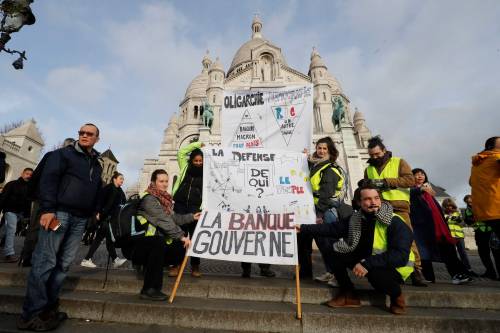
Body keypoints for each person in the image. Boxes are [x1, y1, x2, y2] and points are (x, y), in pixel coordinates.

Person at [18, 124, 103, 331]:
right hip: (59, 214)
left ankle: (48, 307)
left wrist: (95, 211)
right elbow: (48, 181)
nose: (84, 136)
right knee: (45, 260)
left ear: (96, 139)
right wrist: (48, 209)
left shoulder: (97, 164)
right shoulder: (61, 155)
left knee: (64, 264)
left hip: (80, 219)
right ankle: (32, 313)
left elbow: (95, 189)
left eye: (89, 134)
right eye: (81, 133)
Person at [297, 184, 414, 315]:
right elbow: (331, 229)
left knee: (376, 275)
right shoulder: (356, 218)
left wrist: (367, 264)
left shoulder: (394, 221)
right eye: (368, 199)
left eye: (376, 198)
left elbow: (400, 256)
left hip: (394, 266)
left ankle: (397, 297)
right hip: (367, 259)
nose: (373, 202)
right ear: (359, 202)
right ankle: (349, 294)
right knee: (333, 248)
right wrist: (302, 227)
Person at [362, 136, 426, 286]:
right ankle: (391, 270)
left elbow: (410, 180)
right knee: (383, 241)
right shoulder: (369, 169)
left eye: (377, 154)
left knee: (408, 239)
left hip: (399, 207)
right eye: (372, 155)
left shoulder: (399, 162)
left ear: (384, 150)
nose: (375, 157)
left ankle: (417, 271)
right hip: (379, 209)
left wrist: (385, 182)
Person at [132, 169, 197, 300]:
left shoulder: (163, 200)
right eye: (161, 181)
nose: (165, 184)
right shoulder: (150, 199)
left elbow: (175, 218)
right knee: (159, 243)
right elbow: (164, 220)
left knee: (177, 248)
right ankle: (149, 289)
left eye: (166, 181)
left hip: (153, 241)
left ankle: (150, 274)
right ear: (153, 182)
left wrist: (193, 217)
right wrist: (182, 236)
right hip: (139, 243)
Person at [19, 138, 76, 267]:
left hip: (47, 198)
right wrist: (32, 195)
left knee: (45, 227)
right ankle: (29, 257)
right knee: (42, 227)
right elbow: (37, 176)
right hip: (47, 198)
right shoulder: (55, 157)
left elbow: (36, 176)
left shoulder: (52, 156)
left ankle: (28, 257)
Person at [410, 168, 473, 284]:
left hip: (438, 227)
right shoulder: (412, 190)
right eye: (416, 174)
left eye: (422, 174)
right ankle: (429, 277)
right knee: (424, 253)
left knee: (449, 250)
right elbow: (410, 194)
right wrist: (421, 189)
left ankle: (458, 274)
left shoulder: (429, 192)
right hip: (423, 228)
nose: (420, 176)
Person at [301, 136, 345, 285]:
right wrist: (304, 158)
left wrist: (319, 215)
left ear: (330, 150)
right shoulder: (317, 165)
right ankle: (330, 273)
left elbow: (326, 194)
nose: (321, 151)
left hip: (325, 211)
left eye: (324, 148)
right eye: (319, 148)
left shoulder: (330, 168)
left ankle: (337, 276)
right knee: (322, 244)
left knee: (329, 245)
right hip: (315, 209)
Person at [171, 141, 204, 277]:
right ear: (191, 160)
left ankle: (195, 266)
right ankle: (176, 264)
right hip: (180, 205)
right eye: (196, 160)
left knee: (196, 237)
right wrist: (197, 145)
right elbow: (181, 152)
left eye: (200, 161)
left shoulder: (207, 172)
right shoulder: (185, 166)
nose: (198, 163)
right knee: (180, 236)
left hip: (196, 207)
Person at [81, 172, 127, 269]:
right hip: (105, 217)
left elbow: (124, 202)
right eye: (120, 178)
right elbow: (100, 200)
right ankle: (87, 259)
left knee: (107, 239)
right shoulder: (108, 188)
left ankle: (114, 259)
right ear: (114, 179)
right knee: (100, 238)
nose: (122, 181)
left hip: (113, 219)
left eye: (123, 179)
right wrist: (97, 212)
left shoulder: (120, 191)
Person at [0, 167, 33, 262]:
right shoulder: (12, 184)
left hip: (20, 214)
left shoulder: (29, 188)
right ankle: (9, 254)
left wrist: (26, 216)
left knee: (4, 231)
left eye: (31, 175)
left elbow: (28, 203)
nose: (29, 176)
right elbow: (3, 197)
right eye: (27, 174)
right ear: (22, 173)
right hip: (10, 210)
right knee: (12, 230)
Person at [469, 136, 500, 239]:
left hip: (483, 211)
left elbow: (471, 182)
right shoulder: (496, 157)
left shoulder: (477, 163)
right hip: (497, 208)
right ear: (492, 146)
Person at [464, 194, 500, 279]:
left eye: (471, 201)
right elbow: (468, 220)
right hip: (480, 233)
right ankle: (491, 272)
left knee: (497, 253)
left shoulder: (484, 206)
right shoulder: (468, 210)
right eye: (468, 202)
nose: (470, 204)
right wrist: (472, 219)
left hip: (491, 232)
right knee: (483, 254)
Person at [442, 198, 472, 271]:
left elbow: (463, 224)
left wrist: (459, 221)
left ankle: (468, 269)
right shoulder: (442, 215)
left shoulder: (457, 213)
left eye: (450, 206)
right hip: (450, 237)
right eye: (447, 206)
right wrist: (446, 220)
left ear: (453, 206)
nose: (449, 207)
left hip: (459, 236)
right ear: (444, 206)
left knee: (463, 254)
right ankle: (457, 270)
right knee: (453, 255)